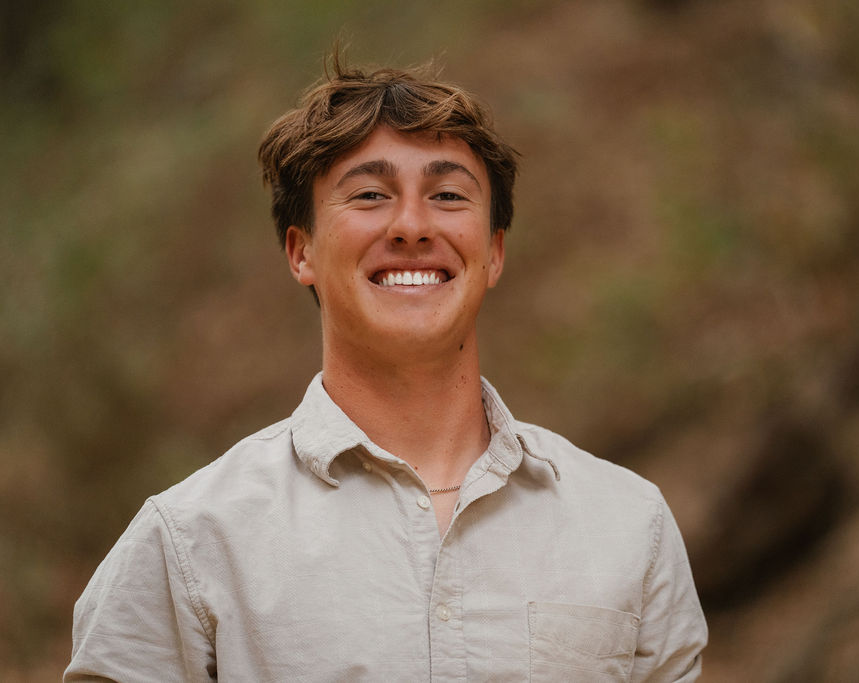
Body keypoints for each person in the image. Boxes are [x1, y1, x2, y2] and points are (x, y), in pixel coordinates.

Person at [65, 58, 707, 681]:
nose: (411, 225)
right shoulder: (192, 542)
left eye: (448, 195)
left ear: (494, 253)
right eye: (370, 195)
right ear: (302, 250)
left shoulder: (627, 526)